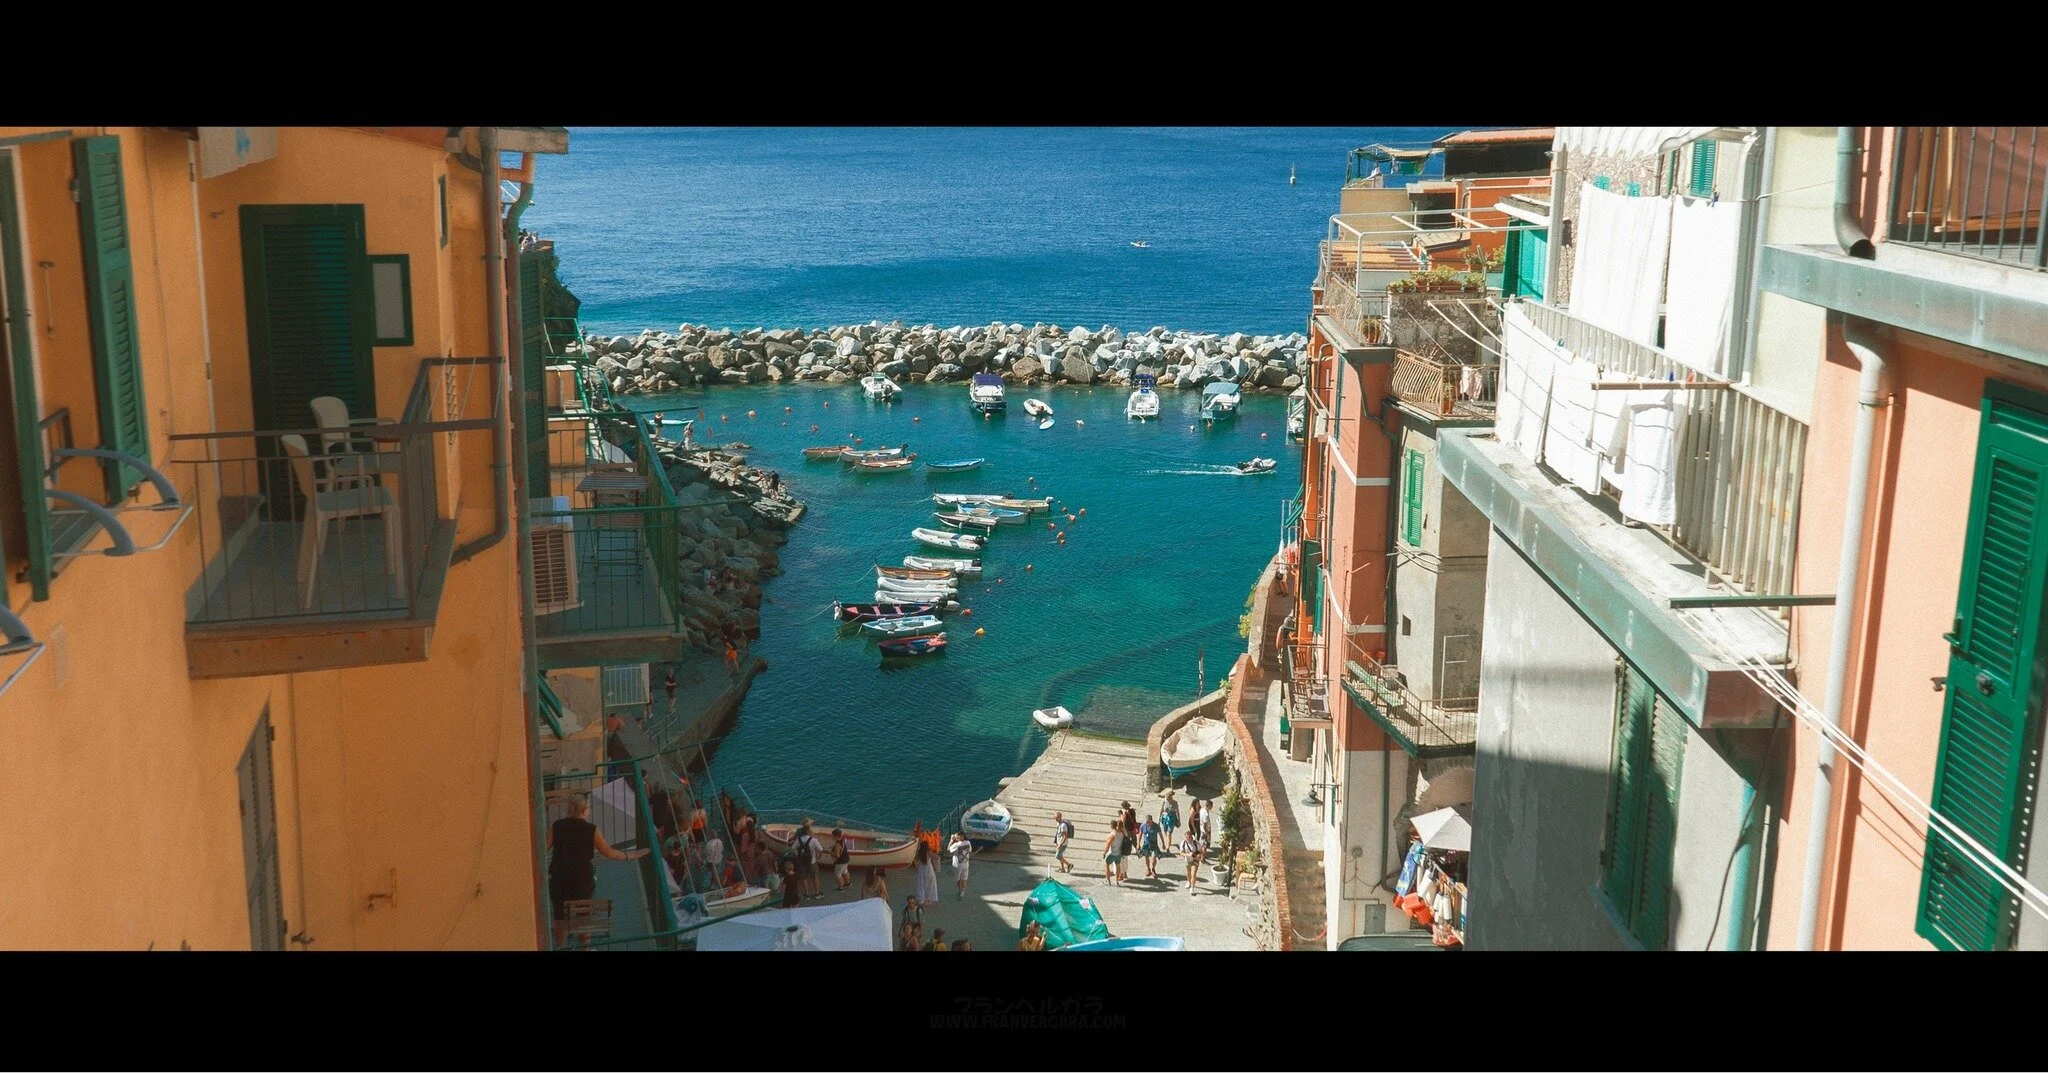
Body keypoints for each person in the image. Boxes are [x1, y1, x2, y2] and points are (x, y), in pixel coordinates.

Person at [548, 793, 649, 947]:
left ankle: (560, 947)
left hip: (559, 881)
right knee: (584, 917)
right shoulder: (591, 830)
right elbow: (608, 852)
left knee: (560, 917)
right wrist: (630, 855)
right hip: (582, 882)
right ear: (584, 810)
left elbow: (542, 849)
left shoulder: (557, 826)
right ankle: (585, 948)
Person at [793, 824, 825, 899]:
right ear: (809, 832)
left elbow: (792, 849)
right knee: (815, 877)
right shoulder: (813, 840)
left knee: (803, 878)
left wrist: (797, 855)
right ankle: (817, 894)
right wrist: (819, 857)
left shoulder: (799, 839)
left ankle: (806, 895)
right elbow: (820, 850)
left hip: (801, 862)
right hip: (812, 862)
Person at [913, 841, 941, 906]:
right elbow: (937, 856)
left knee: (921, 885)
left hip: (922, 870)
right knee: (930, 884)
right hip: (929, 869)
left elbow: (916, 864)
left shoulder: (919, 854)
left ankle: (921, 900)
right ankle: (928, 900)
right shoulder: (928, 853)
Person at [948, 832, 973, 901]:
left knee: (958, 878)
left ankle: (960, 891)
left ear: (961, 837)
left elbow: (948, 849)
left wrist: (951, 840)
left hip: (957, 864)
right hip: (966, 863)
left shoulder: (956, 845)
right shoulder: (968, 843)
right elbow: (970, 850)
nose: (955, 837)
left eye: (956, 836)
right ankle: (963, 892)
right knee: (964, 878)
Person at [1182, 828, 1204, 894]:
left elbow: (1201, 851)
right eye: (1187, 837)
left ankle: (1192, 888)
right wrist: (1188, 855)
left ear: (1192, 836)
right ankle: (1188, 881)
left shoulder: (1196, 843)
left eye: (1190, 837)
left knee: (1193, 873)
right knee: (1188, 873)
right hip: (1187, 860)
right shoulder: (1183, 843)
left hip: (1195, 861)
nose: (1188, 838)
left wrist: (1199, 856)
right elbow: (1181, 852)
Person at [1140, 814, 1162, 879]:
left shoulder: (1156, 826)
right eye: (1146, 822)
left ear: (1152, 821)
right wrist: (1138, 843)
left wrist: (1163, 843)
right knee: (1146, 857)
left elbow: (1160, 834)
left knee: (1154, 858)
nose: (1147, 823)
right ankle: (1148, 869)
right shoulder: (1143, 825)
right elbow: (1140, 834)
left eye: (1149, 822)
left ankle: (1153, 869)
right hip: (1146, 844)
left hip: (1154, 844)